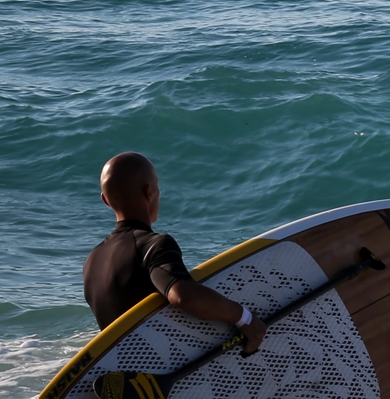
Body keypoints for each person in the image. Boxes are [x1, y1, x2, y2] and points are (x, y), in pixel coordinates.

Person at [83, 152, 269, 354]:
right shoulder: (153, 245)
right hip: (165, 366)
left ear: (105, 200)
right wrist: (245, 319)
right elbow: (183, 295)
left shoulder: (92, 262)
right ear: (150, 191)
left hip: (127, 375)